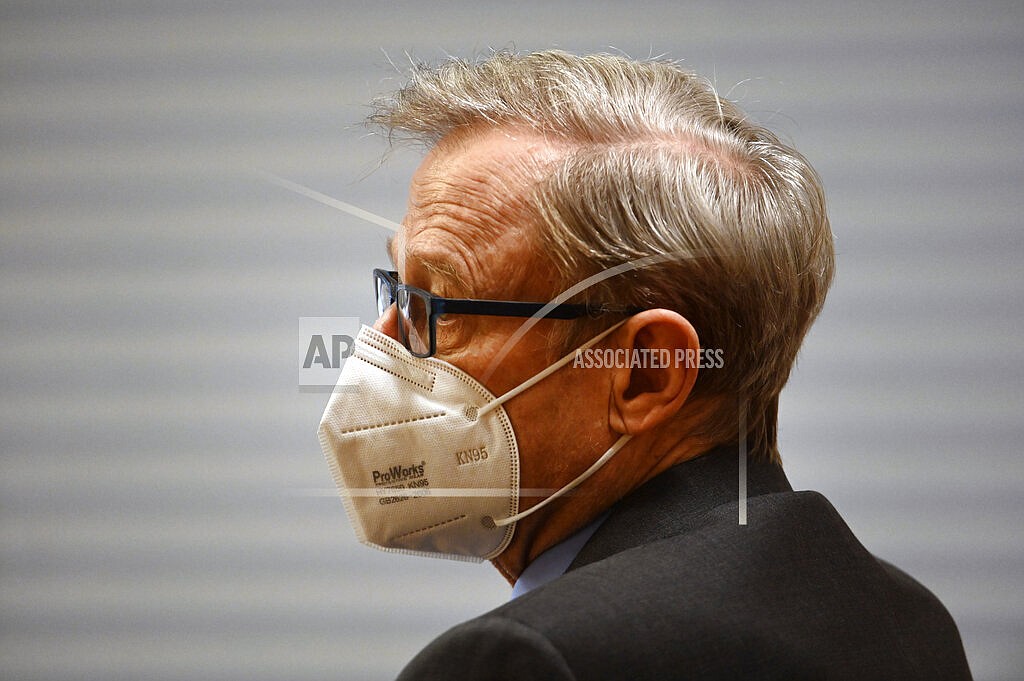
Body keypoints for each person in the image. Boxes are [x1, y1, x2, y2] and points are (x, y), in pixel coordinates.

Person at [317, 50, 972, 680]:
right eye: (397, 288)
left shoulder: (528, 660)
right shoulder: (908, 618)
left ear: (644, 374)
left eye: (439, 304)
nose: (382, 342)